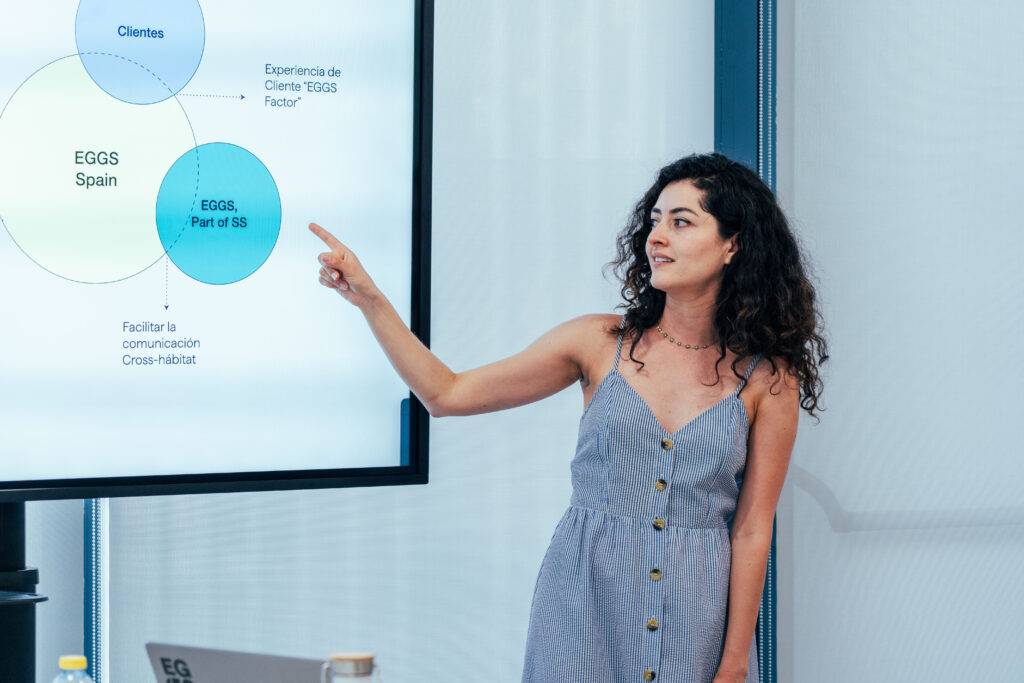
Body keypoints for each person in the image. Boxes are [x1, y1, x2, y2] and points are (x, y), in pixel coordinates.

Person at [310, 151, 827, 683]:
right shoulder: (599, 342)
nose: (657, 237)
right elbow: (448, 392)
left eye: (681, 222)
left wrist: (735, 663)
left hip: (695, 617)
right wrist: (370, 299)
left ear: (733, 245)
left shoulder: (768, 380)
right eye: (654, 220)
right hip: (583, 605)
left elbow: (750, 529)